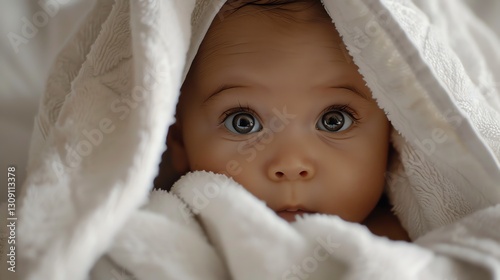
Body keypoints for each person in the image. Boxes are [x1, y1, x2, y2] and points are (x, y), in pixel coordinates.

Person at [155, 0, 409, 241]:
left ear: (390, 134)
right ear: (179, 142)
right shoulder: (162, 236)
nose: (290, 165)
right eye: (243, 123)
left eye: (334, 121)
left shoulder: (415, 250)